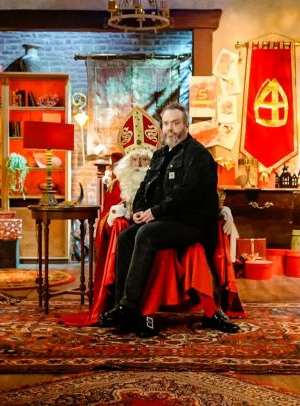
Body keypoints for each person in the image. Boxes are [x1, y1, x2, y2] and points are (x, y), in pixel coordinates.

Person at [99, 102, 239, 337]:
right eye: (166, 124)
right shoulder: (160, 155)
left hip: (192, 223)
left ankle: (129, 305)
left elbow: (186, 194)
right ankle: (122, 308)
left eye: (175, 123)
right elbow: (144, 188)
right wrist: (140, 210)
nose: (170, 128)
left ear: (186, 125)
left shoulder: (198, 155)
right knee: (126, 236)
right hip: (167, 219)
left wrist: (154, 212)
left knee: (146, 234)